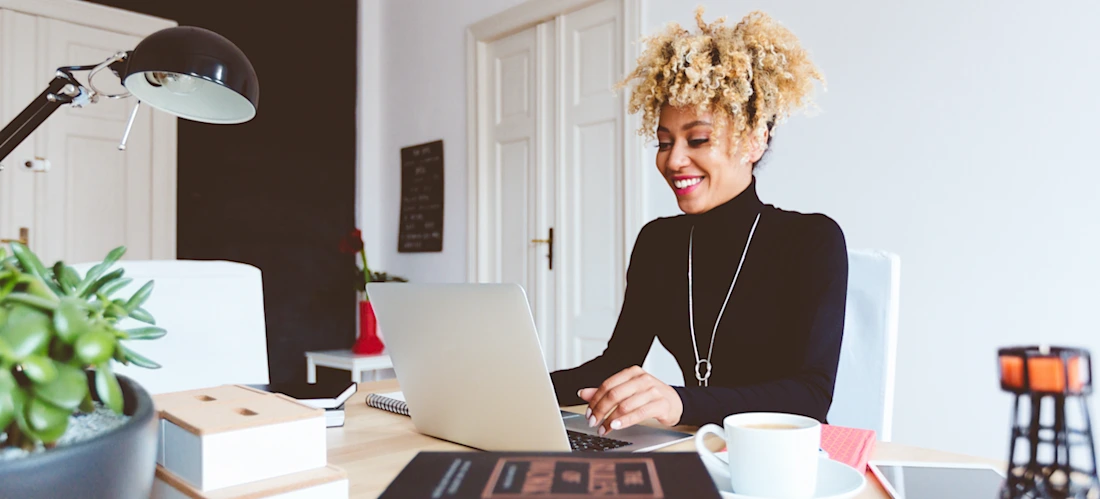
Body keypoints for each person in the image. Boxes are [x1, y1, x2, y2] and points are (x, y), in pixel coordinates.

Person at [549, 7, 847, 437]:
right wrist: (517, 388)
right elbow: (614, 365)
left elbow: (811, 395)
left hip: (779, 456)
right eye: (664, 142)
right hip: (692, 443)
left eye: (698, 139)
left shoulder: (811, 240)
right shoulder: (658, 241)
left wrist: (680, 401)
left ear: (754, 139)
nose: (673, 160)